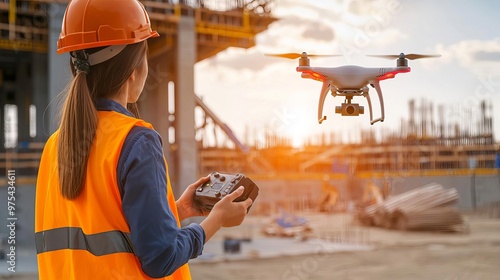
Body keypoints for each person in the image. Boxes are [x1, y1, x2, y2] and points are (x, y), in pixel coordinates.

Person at [34, 0, 252, 279]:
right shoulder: (136, 140)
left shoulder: (54, 146)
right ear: (134, 69)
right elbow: (160, 257)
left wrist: (177, 211)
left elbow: (101, 230)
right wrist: (216, 220)